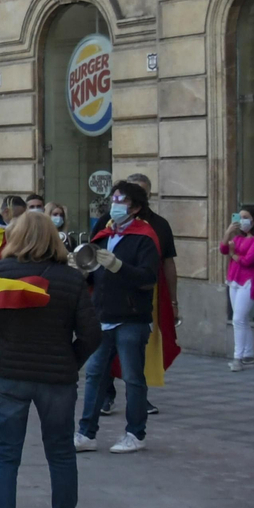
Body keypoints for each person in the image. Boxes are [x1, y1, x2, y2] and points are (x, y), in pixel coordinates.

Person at [0, 211, 101, 508]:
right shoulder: (71, 279)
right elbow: (91, 334)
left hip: (9, 374)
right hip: (57, 378)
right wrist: (70, 359)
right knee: (60, 453)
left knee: (5, 456)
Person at [74, 181, 162, 455]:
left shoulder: (145, 237)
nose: (115, 205)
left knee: (133, 377)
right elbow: (93, 273)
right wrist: (79, 269)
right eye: (113, 199)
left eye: (121, 201)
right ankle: (86, 433)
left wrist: (119, 266)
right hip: (103, 315)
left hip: (131, 317)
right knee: (95, 375)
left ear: (135, 208)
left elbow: (149, 278)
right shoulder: (103, 232)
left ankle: (135, 433)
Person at [94, 173, 175, 417]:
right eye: (116, 198)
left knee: (134, 366)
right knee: (96, 369)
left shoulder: (155, 228)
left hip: (135, 307)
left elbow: (161, 267)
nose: (118, 204)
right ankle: (95, 414)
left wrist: (173, 300)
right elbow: (93, 254)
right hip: (105, 306)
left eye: (126, 199)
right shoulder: (105, 224)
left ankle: (136, 416)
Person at [222, 206, 254, 371]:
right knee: (242, 319)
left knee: (238, 319)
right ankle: (248, 356)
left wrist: (233, 254)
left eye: (245, 217)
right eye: (239, 217)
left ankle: (237, 358)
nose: (241, 221)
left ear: (253, 221)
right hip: (234, 281)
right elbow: (223, 249)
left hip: (249, 282)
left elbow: (249, 260)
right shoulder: (239, 239)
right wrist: (228, 233)